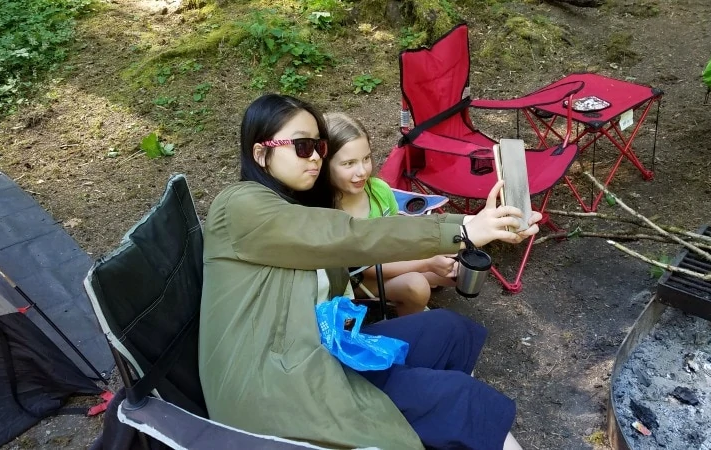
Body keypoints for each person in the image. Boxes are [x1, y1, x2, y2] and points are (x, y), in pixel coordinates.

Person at [199, 93, 539, 449]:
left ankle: (444, 425)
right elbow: (348, 236)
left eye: (319, 146)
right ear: (260, 154)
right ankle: (445, 417)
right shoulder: (237, 206)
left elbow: (346, 260)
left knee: (447, 329)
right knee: (460, 400)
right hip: (279, 389)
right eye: (301, 146)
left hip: (328, 349)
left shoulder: (294, 208)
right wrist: (464, 229)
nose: (315, 156)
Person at [323, 112, 456, 316]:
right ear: (324, 165)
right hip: (356, 281)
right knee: (416, 285)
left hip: (387, 260)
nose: (362, 171)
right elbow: (366, 268)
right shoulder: (328, 211)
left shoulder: (378, 190)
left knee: (454, 271)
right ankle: (408, 330)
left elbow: (396, 234)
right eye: (348, 163)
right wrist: (427, 263)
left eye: (366, 158)